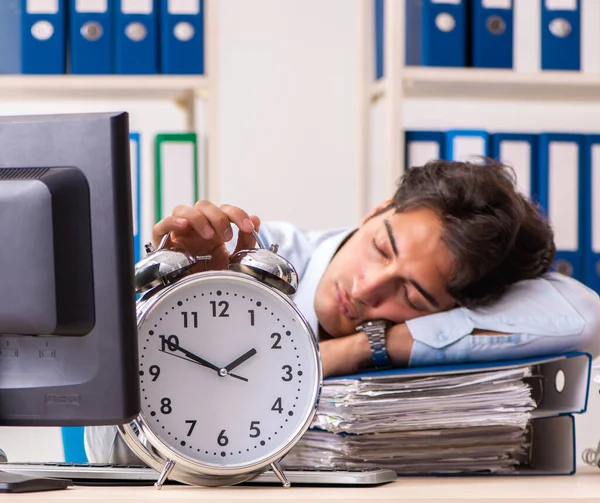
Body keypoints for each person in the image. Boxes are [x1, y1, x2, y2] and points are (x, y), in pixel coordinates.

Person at [84, 158, 600, 462]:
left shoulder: (407, 331)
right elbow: (105, 446)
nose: (368, 288)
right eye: (382, 246)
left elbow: (583, 313)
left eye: (413, 295)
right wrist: (178, 301)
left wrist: (366, 349)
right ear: (377, 211)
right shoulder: (254, 255)